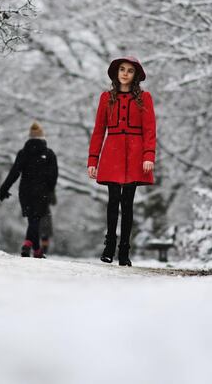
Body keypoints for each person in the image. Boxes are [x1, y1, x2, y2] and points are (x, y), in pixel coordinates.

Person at [87, 56, 157, 267]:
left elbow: (150, 129)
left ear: (135, 75)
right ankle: (109, 248)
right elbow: (99, 131)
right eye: (122, 69)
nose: (125, 73)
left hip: (135, 155)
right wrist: (93, 160)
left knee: (127, 205)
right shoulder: (106, 98)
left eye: (130, 70)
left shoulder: (144, 98)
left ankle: (124, 251)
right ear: (116, 73)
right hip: (112, 153)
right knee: (112, 202)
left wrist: (148, 156)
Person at [0, 121, 59, 258]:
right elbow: (53, 176)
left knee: (32, 220)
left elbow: (14, 172)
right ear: (43, 137)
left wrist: (4, 188)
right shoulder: (49, 154)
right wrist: (49, 190)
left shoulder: (23, 153)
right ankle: (29, 245)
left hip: (25, 191)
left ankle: (34, 249)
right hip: (41, 193)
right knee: (35, 220)